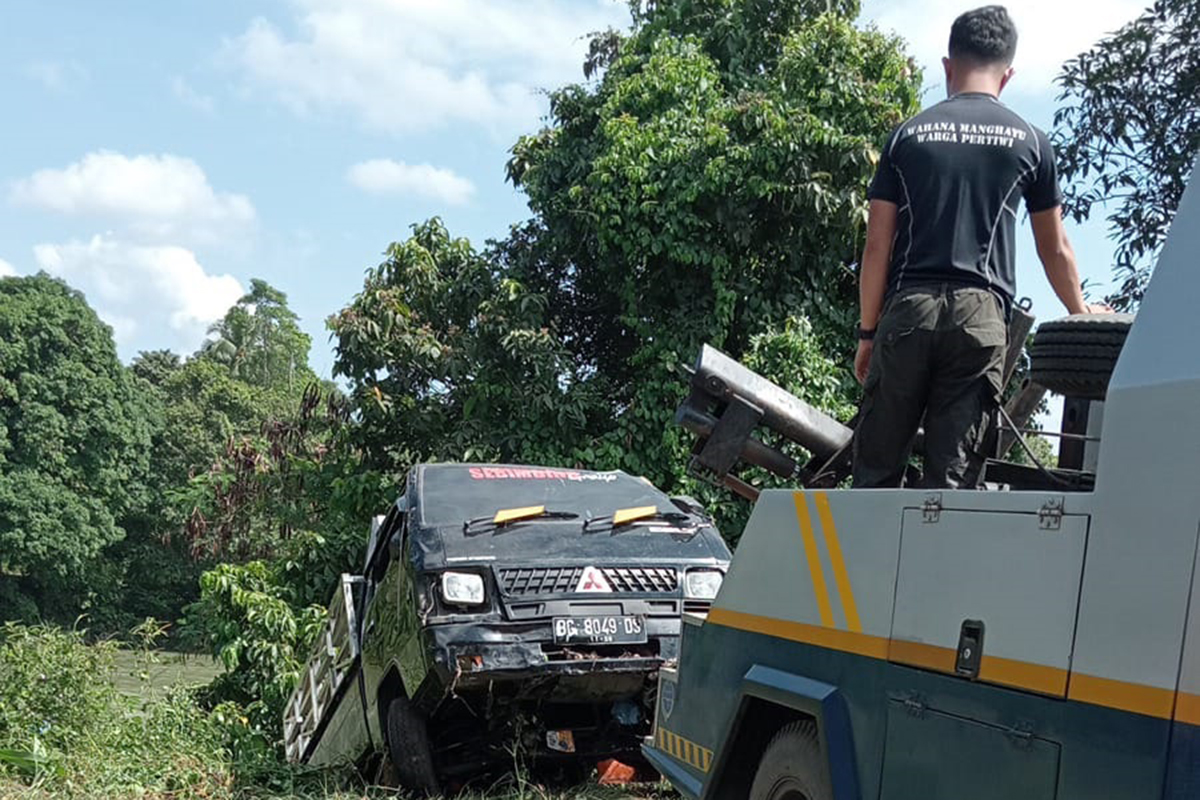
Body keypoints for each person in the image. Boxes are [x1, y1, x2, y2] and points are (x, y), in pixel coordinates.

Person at [852, 4, 1109, 489]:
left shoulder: (906, 137)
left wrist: (868, 334)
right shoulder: (1030, 141)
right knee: (952, 484)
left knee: (876, 474)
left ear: (948, 66)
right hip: (981, 317)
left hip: (908, 310)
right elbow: (1054, 248)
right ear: (1008, 75)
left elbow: (876, 248)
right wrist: (1081, 311)